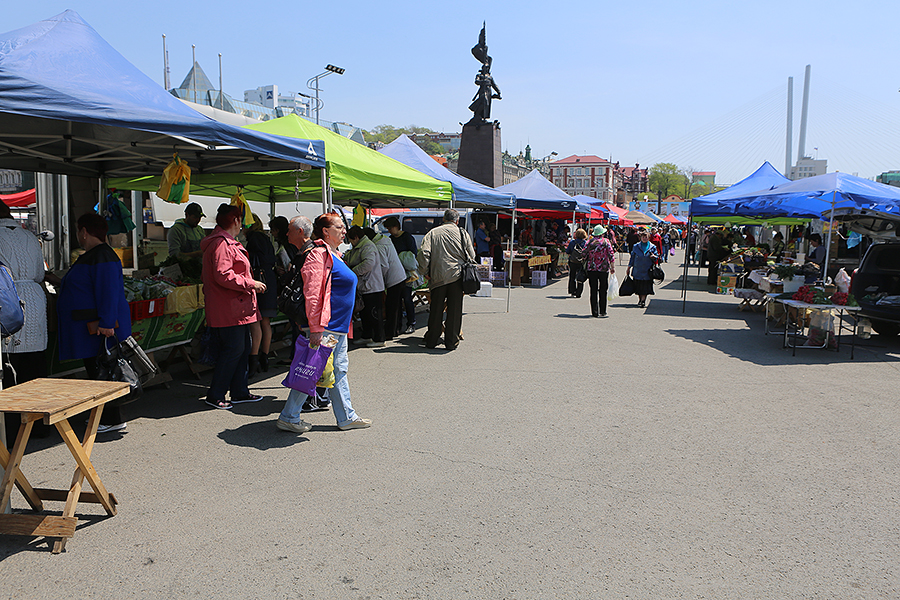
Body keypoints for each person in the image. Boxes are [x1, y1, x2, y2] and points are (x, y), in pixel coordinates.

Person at [277, 212, 372, 433]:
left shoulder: (334, 254)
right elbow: (312, 293)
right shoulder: (318, 255)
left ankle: (346, 416)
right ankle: (289, 416)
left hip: (336, 327)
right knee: (312, 370)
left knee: (335, 370)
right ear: (326, 232)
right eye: (339, 227)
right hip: (326, 327)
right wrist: (316, 329)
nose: (344, 231)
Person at [56, 213, 132, 432]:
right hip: (92, 325)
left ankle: (111, 419)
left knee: (103, 373)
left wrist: (107, 322)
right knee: (98, 372)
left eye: (79, 231)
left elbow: (108, 292)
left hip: (99, 328)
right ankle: (107, 417)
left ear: (84, 231)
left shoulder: (102, 256)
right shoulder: (94, 255)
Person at [200, 204, 266, 410]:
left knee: (242, 348)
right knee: (233, 350)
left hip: (236, 308)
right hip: (228, 309)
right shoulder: (221, 243)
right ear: (236, 221)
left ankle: (239, 392)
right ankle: (216, 394)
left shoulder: (226, 242)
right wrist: (250, 283)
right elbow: (223, 274)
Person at [0, 202, 50, 445]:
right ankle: (40, 425)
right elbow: (40, 274)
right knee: (35, 368)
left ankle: (10, 433)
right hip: (35, 297)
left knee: (9, 370)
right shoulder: (29, 236)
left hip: (9, 301)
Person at [417, 209, 475, 351]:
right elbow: (471, 255)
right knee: (454, 311)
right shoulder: (462, 233)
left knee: (436, 309)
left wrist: (424, 271)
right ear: (457, 220)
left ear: (443, 219)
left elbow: (424, 253)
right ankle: (451, 342)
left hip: (437, 277)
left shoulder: (433, 233)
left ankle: (432, 339)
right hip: (457, 277)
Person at [244, 213, 277, 375]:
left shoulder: (253, 239)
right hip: (269, 278)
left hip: (258, 280)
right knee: (265, 321)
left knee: (255, 320)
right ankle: (264, 357)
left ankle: (254, 358)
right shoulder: (265, 238)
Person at [345, 225, 385, 347]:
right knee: (365, 314)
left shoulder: (367, 246)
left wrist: (353, 271)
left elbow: (368, 263)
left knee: (374, 314)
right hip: (365, 286)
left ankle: (379, 339)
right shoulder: (359, 246)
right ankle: (367, 336)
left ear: (356, 237)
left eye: (351, 240)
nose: (350, 243)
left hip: (372, 286)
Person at [367, 227, 406, 341]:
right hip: (400, 275)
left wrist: (381, 281)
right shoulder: (385, 239)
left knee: (391, 307)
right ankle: (397, 329)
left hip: (393, 278)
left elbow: (384, 266)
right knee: (397, 306)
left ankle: (390, 332)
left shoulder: (378, 246)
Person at [385, 217, 418, 335]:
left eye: (389, 228)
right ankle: (397, 326)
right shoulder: (390, 239)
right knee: (396, 301)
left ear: (395, 226)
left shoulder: (407, 237)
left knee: (407, 299)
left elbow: (413, 254)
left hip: (407, 274)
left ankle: (411, 323)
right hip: (394, 274)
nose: (389, 231)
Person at [582, 225, 616, 318]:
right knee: (603, 290)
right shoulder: (606, 241)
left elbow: (583, 253)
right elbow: (611, 254)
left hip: (591, 268)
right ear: (602, 233)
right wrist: (612, 267)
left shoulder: (589, 242)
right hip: (604, 268)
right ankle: (603, 311)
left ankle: (594, 311)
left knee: (593, 290)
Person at [627, 230, 659, 309]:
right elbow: (632, 257)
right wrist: (629, 267)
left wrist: (654, 257)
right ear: (640, 238)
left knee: (645, 287)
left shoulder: (652, 247)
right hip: (638, 270)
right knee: (638, 287)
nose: (644, 238)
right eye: (643, 237)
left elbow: (657, 257)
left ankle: (643, 300)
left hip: (647, 270)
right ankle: (640, 299)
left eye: (646, 237)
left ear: (649, 238)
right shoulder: (636, 246)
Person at [565, 228, 588, 298]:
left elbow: (567, 251)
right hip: (581, 262)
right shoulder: (585, 243)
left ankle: (572, 291)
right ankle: (579, 292)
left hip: (572, 261)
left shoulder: (572, 242)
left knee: (572, 276)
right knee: (580, 276)